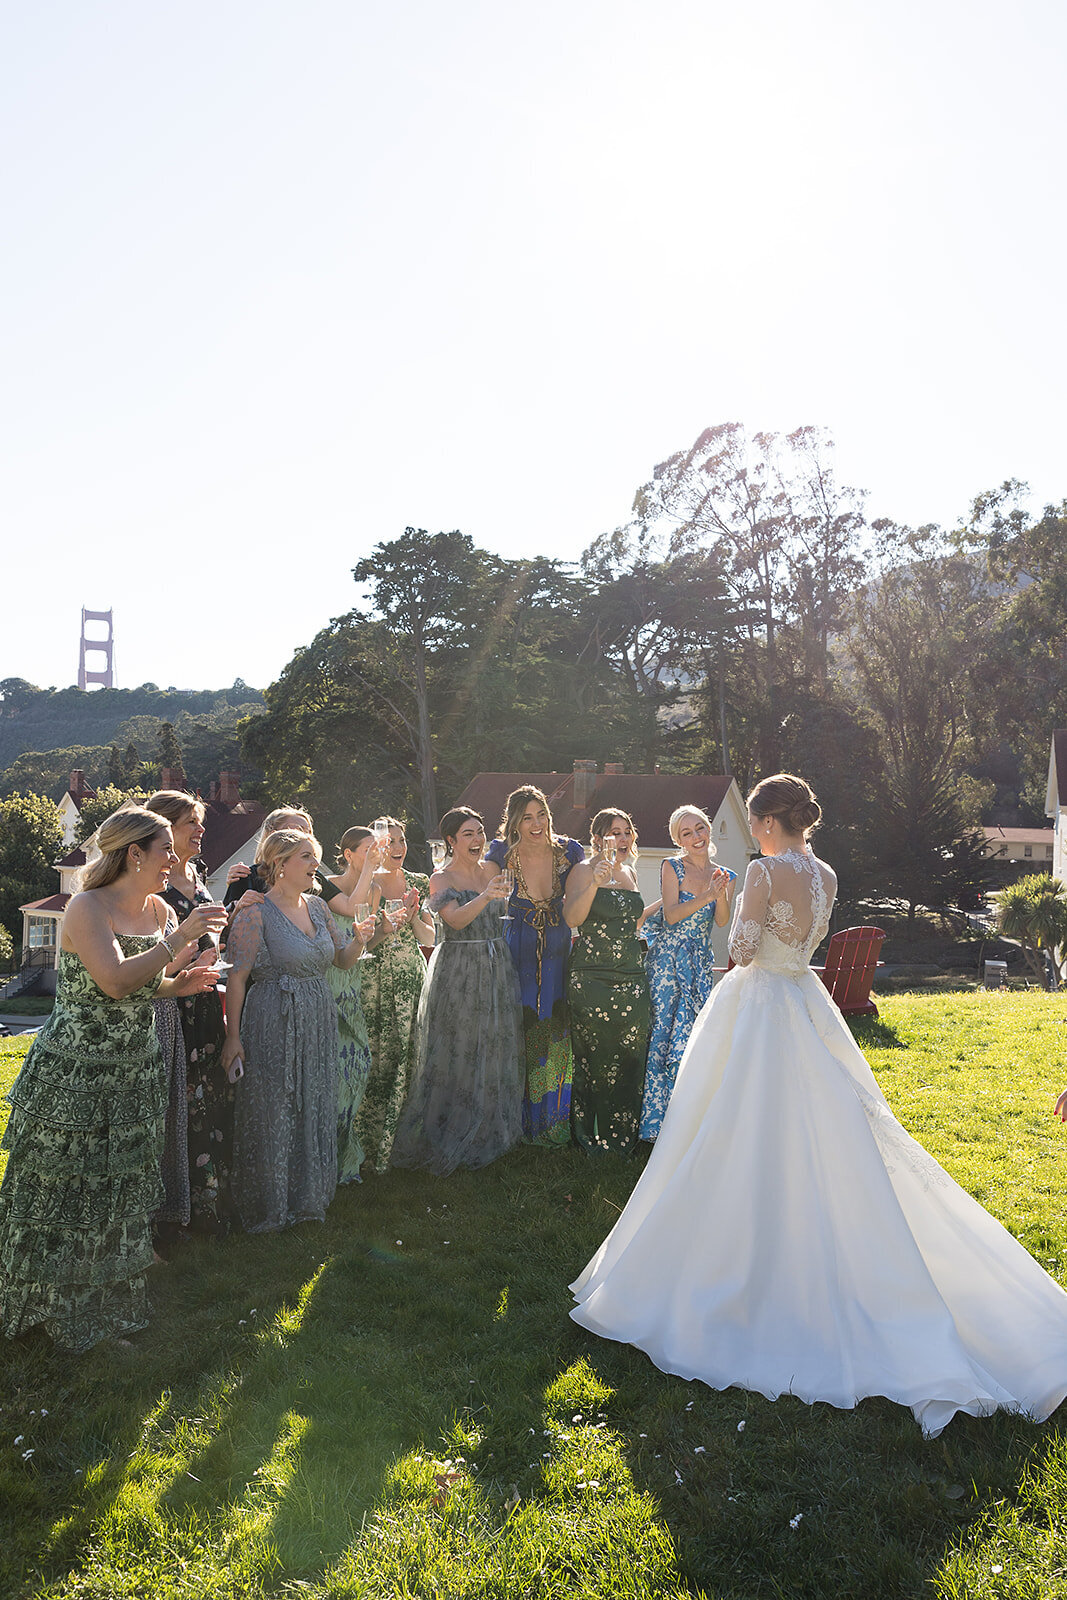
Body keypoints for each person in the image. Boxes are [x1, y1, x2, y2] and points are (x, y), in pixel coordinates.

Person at [571, 774, 1067, 1438]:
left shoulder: (762, 870)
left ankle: (734, 1259)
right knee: (821, 1130)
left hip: (757, 1005)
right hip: (804, 1000)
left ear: (765, 823)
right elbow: (802, 946)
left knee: (734, 1129)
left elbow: (741, 950)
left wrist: (731, 906)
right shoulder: (825, 874)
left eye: (753, 823)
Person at [0, 806, 225, 1351]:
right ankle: (46, 1309)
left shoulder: (159, 909)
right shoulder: (86, 906)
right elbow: (115, 983)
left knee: (115, 1193)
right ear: (134, 854)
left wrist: (179, 984)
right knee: (65, 1190)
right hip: (75, 1072)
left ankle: (100, 1311)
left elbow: (147, 983)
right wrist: (179, 940)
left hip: (134, 1068)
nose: (173, 858)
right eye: (165, 849)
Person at [222, 828, 370, 1232]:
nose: (315, 865)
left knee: (314, 1100)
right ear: (280, 864)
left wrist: (362, 940)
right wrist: (233, 1037)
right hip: (273, 1016)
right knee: (276, 1105)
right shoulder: (255, 911)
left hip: (318, 1015)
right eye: (306, 857)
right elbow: (237, 978)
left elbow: (341, 960)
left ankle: (307, 1198)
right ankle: (270, 1202)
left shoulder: (319, 907)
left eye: (315, 856)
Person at [391, 808, 524, 1175]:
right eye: (468, 834)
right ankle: (450, 1129)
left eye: (480, 832)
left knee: (493, 1042)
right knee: (460, 1046)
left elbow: (502, 912)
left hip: (496, 962)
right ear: (451, 840)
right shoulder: (441, 878)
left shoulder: (493, 868)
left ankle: (489, 1127)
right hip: (460, 968)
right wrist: (486, 896)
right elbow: (454, 920)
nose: (477, 839)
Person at [147, 789, 233, 1236]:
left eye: (200, 822)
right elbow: (152, 958)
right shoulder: (153, 886)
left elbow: (205, 936)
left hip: (203, 1004)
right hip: (171, 1007)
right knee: (178, 1106)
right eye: (190, 824)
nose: (201, 830)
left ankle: (207, 1203)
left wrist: (215, 943)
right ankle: (172, 1212)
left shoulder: (195, 874)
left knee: (208, 1100)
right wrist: (190, 956)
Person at [486, 787, 585, 1144]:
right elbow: (479, 883)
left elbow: (584, 893)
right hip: (517, 947)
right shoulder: (501, 853)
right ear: (514, 822)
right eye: (527, 817)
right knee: (520, 1026)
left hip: (558, 946)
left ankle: (552, 1121)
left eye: (541, 814)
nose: (536, 823)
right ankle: (516, 1123)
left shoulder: (570, 851)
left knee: (557, 1027)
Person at [640, 806, 733, 1141]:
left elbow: (721, 921)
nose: (696, 837)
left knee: (693, 1035)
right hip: (667, 961)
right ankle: (654, 1125)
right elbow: (671, 916)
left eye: (700, 828)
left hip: (699, 963)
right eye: (686, 833)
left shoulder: (725, 874)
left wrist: (719, 895)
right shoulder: (672, 867)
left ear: (709, 829)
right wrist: (708, 895)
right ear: (678, 840)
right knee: (663, 1034)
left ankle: (688, 1122)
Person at [564, 810, 650, 1155]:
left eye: (628, 831)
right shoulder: (582, 870)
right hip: (592, 976)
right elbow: (572, 918)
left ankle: (625, 1135)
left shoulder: (630, 872)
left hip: (632, 974)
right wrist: (595, 883)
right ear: (598, 839)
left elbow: (633, 921)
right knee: (594, 1056)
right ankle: (593, 1136)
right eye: (616, 832)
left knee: (631, 1055)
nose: (624, 838)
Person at [355, 816, 434, 1174]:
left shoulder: (419, 882)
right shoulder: (367, 885)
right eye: (389, 842)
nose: (398, 847)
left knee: (412, 1054)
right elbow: (364, 944)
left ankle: (407, 1141)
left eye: (401, 840)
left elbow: (429, 937)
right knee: (380, 1058)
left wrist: (413, 915)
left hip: (411, 975)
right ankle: (371, 1144)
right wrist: (386, 928)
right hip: (375, 978)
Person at [322, 827, 378, 1183]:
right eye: (368, 849)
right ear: (348, 854)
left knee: (358, 1066)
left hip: (352, 982)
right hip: (329, 981)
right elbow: (350, 908)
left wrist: (387, 928)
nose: (376, 853)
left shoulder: (374, 890)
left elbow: (365, 941)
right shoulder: (325, 885)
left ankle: (344, 1153)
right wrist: (371, 868)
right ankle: (327, 1160)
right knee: (333, 1073)